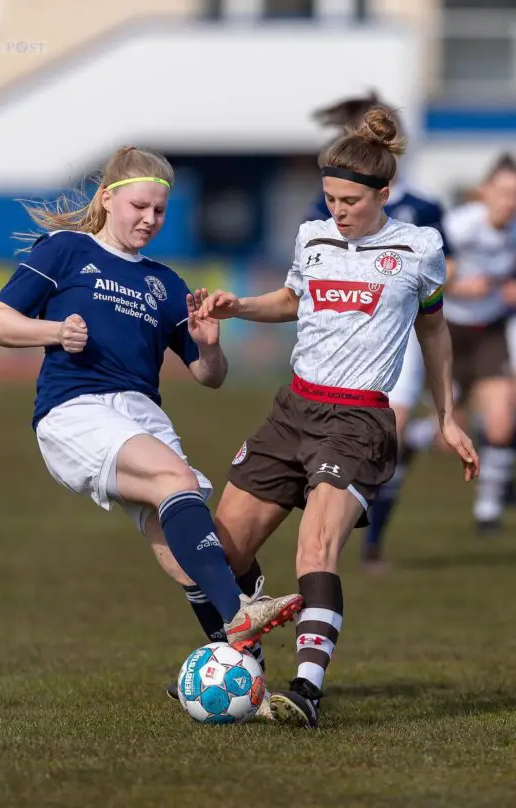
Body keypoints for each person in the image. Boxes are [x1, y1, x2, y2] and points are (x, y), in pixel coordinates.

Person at [194, 107, 479, 728]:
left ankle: (307, 691)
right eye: (328, 198)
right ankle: (244, 662)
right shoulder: (312, 237)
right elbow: (293, 300)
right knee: (220, 548)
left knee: (316, 545)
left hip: (358, 421)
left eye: (350, 200)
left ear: (384, 194)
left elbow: (433, 333)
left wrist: (448, 415)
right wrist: (237, 306)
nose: (338, 210)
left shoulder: (419, 248)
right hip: (292, 409)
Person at [0, 145, 303, 655]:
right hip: (77, 409)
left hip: (142, 415)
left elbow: (208, 377)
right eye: (140, 207)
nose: (150, 219)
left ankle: (246, 672)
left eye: (160, 211)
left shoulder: (165, 283)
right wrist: (55, 330)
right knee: (176, 483)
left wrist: (211, 346)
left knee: (189, 552)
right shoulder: (66, 249)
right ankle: (240, 613)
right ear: (109, 199)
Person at [309, 91, 456, 569]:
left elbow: (443, 270)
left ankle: (366, 539)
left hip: (402, 335)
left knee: (387, 432)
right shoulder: (327, 203)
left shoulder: (424, 207)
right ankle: (340, 521)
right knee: (369, 439)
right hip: (346, 336)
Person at [442, 154, 516, 533]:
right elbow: (426, 274)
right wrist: (458, 286)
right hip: (447, 331)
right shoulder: (459, 226)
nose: (510, 201)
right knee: (445, 430)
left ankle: (488, 508)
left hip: (490, 331)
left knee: (502, 422)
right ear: (486, 191)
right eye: (503, 192)